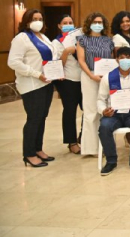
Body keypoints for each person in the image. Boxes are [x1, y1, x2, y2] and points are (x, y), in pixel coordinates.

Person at [8, 9, 57, 167]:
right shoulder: (21, 38)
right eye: (34, 18)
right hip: (32, 84)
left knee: (42, 117)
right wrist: (36, 74)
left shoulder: (43, 37)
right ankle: (28, 154)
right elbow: (13, 62)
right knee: (34, 118)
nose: (38, 21)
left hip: (46, 83)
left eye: (40, 18)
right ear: (27, 21)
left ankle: (38, 149)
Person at [97, 47, 130, 175]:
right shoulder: (107, 78)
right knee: (104, 127)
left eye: (128, 57)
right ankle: (111, 161)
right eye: (121, 58)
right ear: (116, 60)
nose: (125, 60)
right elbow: (100, 99)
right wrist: (104, 111)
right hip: (113, 114)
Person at [76, 12, 114, 156]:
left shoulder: (108, 40)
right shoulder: (82, 40)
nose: (97, 24)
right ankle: (90, 149)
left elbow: (110, 60)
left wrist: (107, 76)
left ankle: (105, 146)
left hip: (106, 77)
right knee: (91, 111)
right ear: (89, 23)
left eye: (100, 22)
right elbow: (81, 60)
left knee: (105, 110)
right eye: (95, 22)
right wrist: (92, 75)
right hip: (89, 76)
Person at [52, 15, 83, 154]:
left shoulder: (79, 38)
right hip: (68, 81)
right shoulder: (56, 42)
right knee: (70, 111)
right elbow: (56, 65)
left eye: (71, 22)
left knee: (88, 109)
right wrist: (66, 52)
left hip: (83, 78)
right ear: (59, 26)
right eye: (65, 23)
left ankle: (84, 136)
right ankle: (72, 142)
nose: (68, 24)